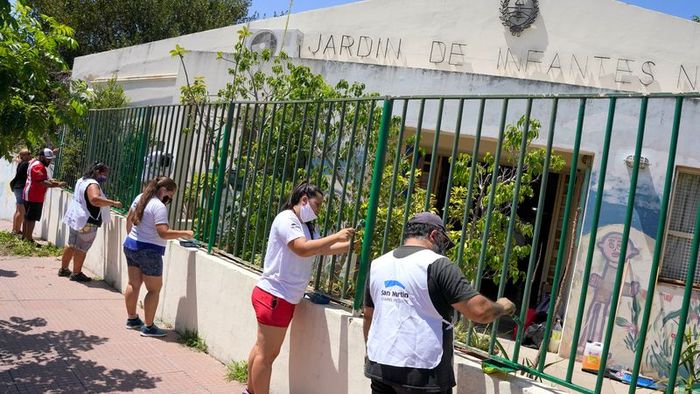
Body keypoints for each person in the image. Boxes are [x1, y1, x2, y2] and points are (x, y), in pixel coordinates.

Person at [363, 212, 517, 394]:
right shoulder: (438, 265)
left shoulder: (378, 264)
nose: (443, 247)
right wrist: (502, 306)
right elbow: (479, 311)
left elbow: (369, 315)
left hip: (380, 367)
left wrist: (370, 351)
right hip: (423, 375)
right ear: (434, 235)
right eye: (443, 241)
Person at [245, 182, 355, 394]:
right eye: (317, 204)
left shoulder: (306, 225)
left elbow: (321, 248)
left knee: (262, 350)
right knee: (267, 355)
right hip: (275, 295)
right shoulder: (287, 219)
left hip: (280, 297)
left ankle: (250, 390)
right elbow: (302, 249)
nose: (319, 209)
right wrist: (336, 236)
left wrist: (352, 245)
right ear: (304, 199)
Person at [123, 177, 193, 337]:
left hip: (131, 245)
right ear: (163, 191)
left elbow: (129, 219)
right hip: (150, 251)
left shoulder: (140, 197)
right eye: (171, 194)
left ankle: (132, 319)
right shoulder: (159, 206)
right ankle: (148, 327)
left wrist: (131, 237)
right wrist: (184, 233)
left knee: (133, 284)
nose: (170, 199)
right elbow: (163, 233)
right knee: (154, 289)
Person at [60, 162, 123, 282]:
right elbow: (94, 199)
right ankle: (76, 273)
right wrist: (113, 203)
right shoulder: (93, 184)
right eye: (104, 173)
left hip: (76, 217)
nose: (105, 176)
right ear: (98, 172)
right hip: (87, 220)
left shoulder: (82, 180)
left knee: (71, 244)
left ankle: (64, 269)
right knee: (82, 247)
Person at [22, 148, 65, 243]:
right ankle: (28, 239)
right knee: (31, 218)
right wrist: (58, 184)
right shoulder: (39, 166)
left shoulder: (34, 162)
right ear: (41, 157)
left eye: (50, 159)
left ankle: (25, 237)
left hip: (29, 193)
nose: (49, 161)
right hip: (34, 195)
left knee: (27, 217)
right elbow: (42, 182)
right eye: (47, 159)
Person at [9, 149, 31, 235]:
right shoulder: (25, 163)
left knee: (18, 209)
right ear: (23, 156)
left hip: (17, 187)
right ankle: (16, 231)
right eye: (28, 154)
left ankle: (15, 229)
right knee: (22, 211)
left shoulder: (21, 163)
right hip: (20, 188)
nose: (30, 155)